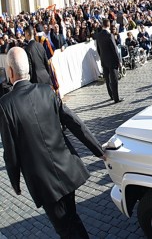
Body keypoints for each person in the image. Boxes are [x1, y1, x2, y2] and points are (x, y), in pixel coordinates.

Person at [0, 47, 105, 238]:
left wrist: (15, 183)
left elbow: (10, 151)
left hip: (43, 182)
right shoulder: (46, 90)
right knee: (72, 219)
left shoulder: (5, 105)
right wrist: (98, 149)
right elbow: (73, 121)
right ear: (29, 69)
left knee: (65, 229)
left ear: (10, 71)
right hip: (66, 169)